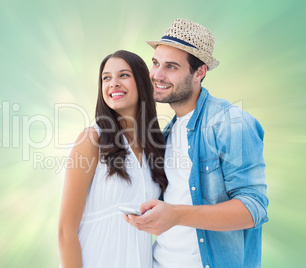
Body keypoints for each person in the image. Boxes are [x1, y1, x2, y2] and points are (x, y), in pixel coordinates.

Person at [124, 19, 269, 268]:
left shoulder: (230, 122)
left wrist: (176, 215)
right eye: (156, 63)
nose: (157, 75)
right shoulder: (167, 133)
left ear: (199, 72)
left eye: (171, 67)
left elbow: (253, 208)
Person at [58, 50, 168, 268]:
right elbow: (65, 231)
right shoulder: (92, 139)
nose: (113, 83)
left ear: (142, 83)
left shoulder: (155, 147)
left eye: (124, 75)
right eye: (106, 78)